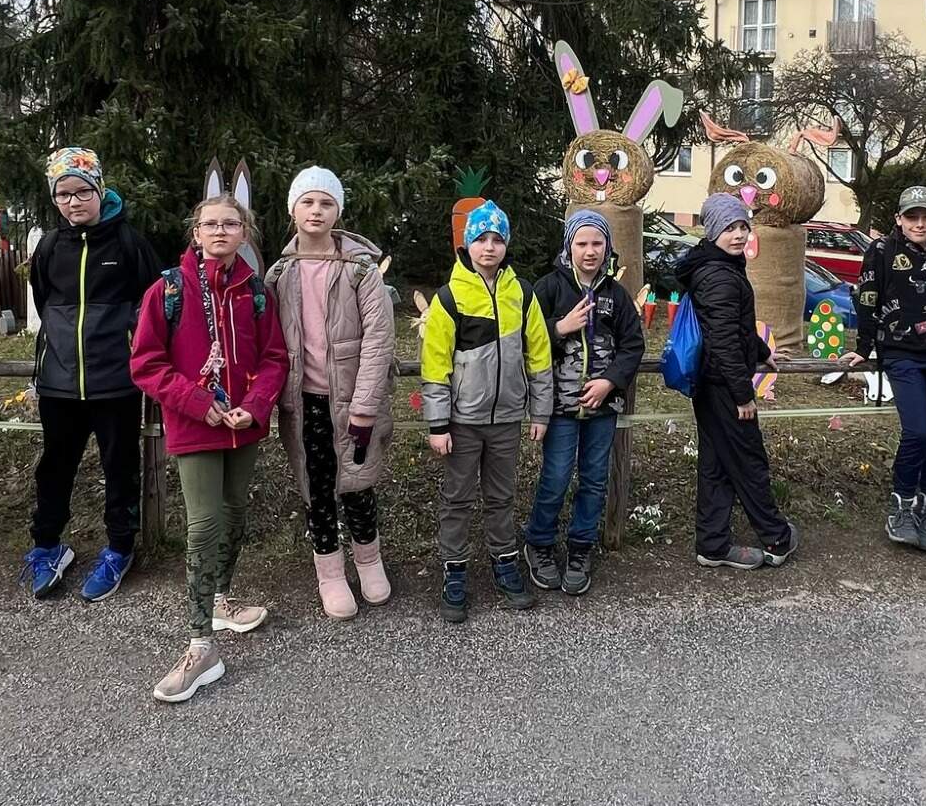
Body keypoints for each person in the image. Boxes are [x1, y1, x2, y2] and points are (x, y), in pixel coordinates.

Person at [131, 192, 288, 704]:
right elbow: (147, 364)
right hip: (196, 424)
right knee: (203, 525)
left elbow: (274, 357)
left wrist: (257, 404)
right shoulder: (167, 291)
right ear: (195, 233)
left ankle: (221, 597)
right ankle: (200, 644)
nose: (220, 231)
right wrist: (200, 403)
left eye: (230, 224)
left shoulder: (257, 292)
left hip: (243, 423)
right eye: (210, 224)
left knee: (235, 510)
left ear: (245, 232)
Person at [24, 147, 164, 602]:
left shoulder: (127, 242)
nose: (73, 202)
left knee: (119, 466)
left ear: (99, 190)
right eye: (63, 195)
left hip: (116, 381)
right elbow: (45, 300)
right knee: (54, 467)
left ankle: (120, 548)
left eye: (82, 191)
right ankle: (47, 545)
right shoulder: (49, 246)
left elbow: (150, 303)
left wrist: (129, 348)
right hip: (59, 382)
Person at [266, 167, 398, 620]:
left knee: (358, 482)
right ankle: (330, 572)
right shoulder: (281, 272)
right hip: (304, 402)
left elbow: (379, 338)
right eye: (308, 202)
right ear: (293, 210)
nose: (316, 211)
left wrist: (364, 406)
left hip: (355, 399)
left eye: (326, 203)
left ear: (338, 211)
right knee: (317, 486)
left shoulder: (360, 268)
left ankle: (368, 560)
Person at [419, 200, 553, 624]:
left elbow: (540, 357)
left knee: (501, 496)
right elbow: (435, 364)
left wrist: (541, 411)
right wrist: (438, 423)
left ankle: (505, 562)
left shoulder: (523, 293)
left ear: (506, 244)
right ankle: (454, 569)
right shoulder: (449, 297)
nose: (489, 247)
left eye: (497, 239)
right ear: (467, 244)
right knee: (457, 498)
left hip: (508, 418)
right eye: (481, 239)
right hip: (462, 421)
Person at [675, 193, 798, 572]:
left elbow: (734, 325)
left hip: (713, 384)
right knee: (748, 461)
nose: (739, 234)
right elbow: (723, 341)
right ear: (713, 231)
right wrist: (744, 395)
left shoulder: (719, 265)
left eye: (743, 226)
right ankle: (777, 537)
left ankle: (712, 544)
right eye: (729, 228)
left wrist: (760, 349)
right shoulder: (718, 274)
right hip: (725, 386)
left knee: (716, 463)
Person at [524, 208, 644, 595]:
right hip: (558, 409)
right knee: (556, 478)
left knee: (594, 481)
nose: (589, 251)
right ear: (568, 246)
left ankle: (580, 549)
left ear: (608, 247)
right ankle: (539, 545)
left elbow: (633, 345)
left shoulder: (616, 295)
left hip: (601, 411)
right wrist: (559, 328)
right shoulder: (549, 288)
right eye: (582, 243)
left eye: (597, 243)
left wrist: (610, 382)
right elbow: (525, 339)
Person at [843, 185, 926, 553]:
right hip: (900, 351)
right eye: (912, 217)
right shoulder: (881, 250)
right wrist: (863, 347)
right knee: (918, 432)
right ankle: (902, 505)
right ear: (899, 219)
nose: (920, 224)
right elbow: (867, 297)